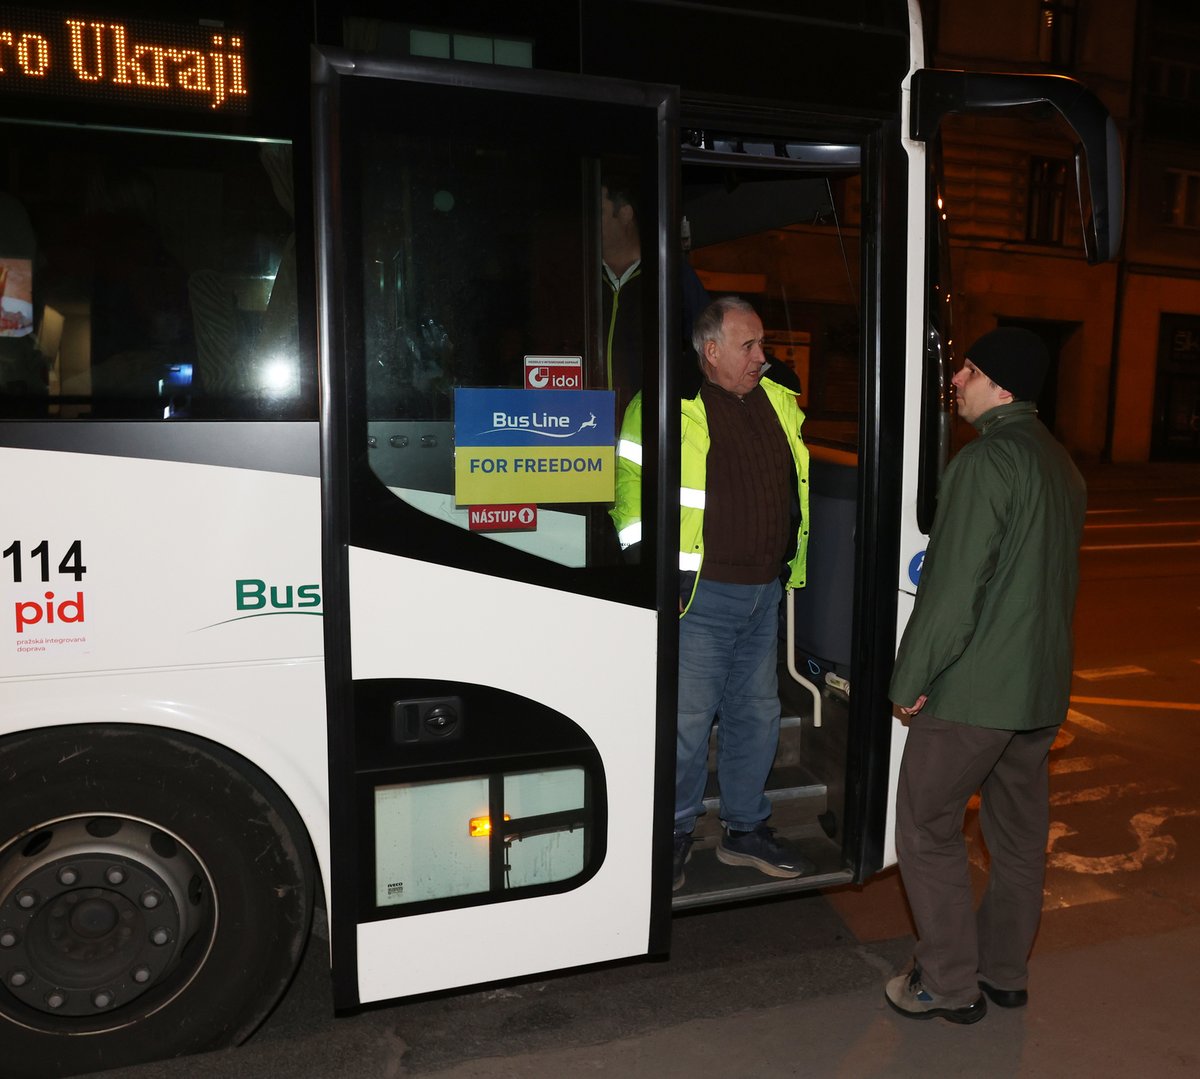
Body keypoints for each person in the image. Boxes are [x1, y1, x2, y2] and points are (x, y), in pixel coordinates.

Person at [884, 327, 1086, 1024]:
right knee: (1020, 838)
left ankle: (946, 979)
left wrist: (908, 679)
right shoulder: (1062, 464)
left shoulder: (985, 463)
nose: (956, 381)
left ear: (999, 385)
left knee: (926, 825)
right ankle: (1004, 972)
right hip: (1037, 693)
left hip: (974, 692)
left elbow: (953, 591)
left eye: (966, 370)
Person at [611, 295, 814, 890]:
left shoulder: (780, 400)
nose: (762, 356)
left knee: (758, 715)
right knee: (687, 722)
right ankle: (673, 832)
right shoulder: (666, 407)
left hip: (763, 592)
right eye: (749, 345)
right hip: (698, 596)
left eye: (762, 344)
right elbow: (629, 487)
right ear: (712, 351)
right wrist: (649, 566)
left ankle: (744, 828)